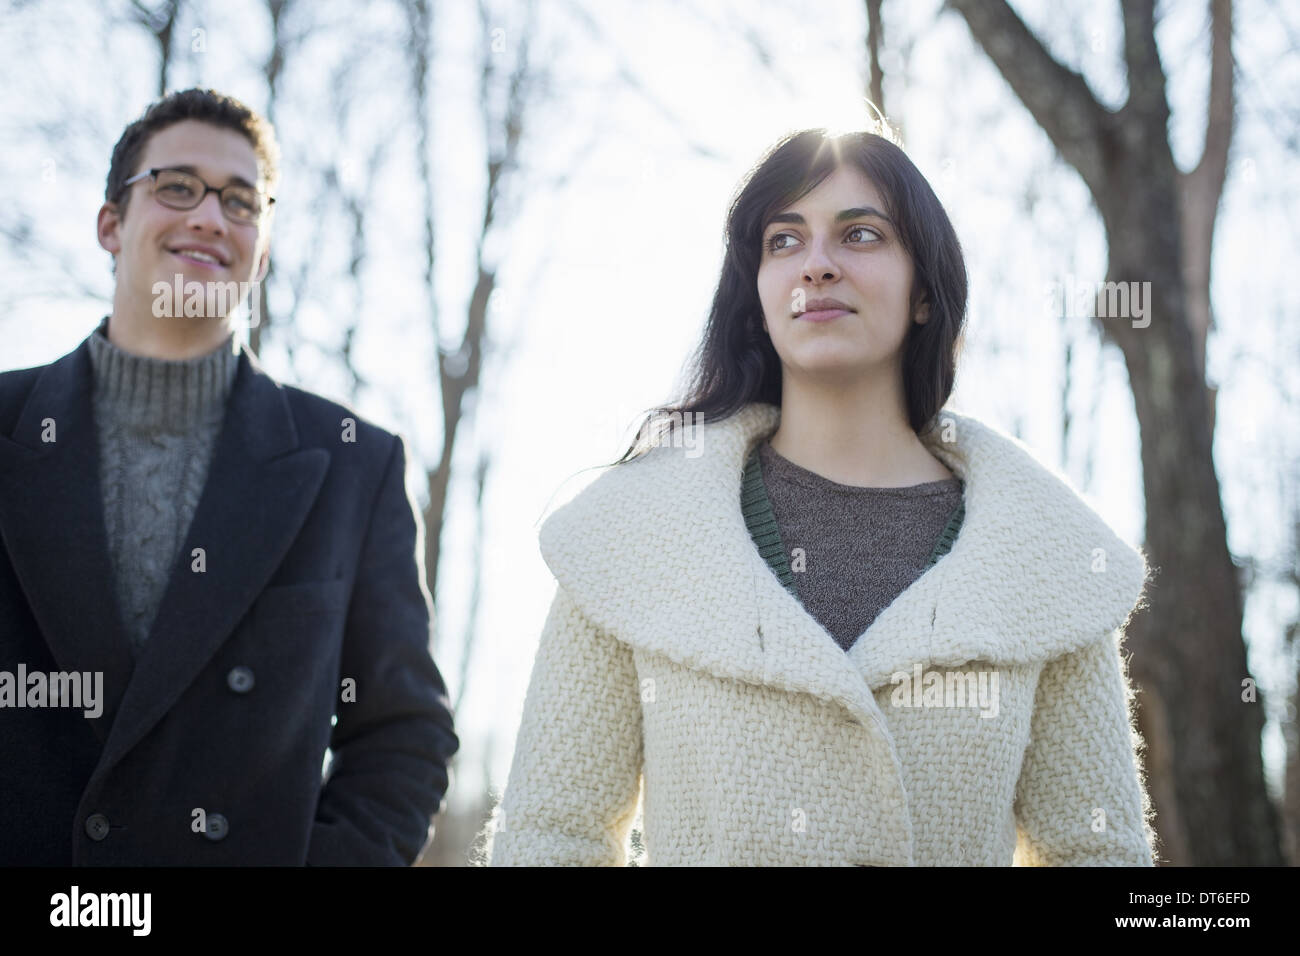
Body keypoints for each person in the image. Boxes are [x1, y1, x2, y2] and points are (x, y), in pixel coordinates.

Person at [487, 127, 1156, 866]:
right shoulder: (630, 537)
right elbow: (552, 836)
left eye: (860, 234)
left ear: (925, 293)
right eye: (784, 241)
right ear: (760, 293)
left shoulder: (1047, 558)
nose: (817, 265)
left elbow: (1098, 855)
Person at [0, 88, 458, 865]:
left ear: (264, 249)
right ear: (110, 224)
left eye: (242, 203)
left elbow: (402, 732)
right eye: (176, 187)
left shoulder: (353, 462)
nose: (210, 218)